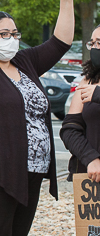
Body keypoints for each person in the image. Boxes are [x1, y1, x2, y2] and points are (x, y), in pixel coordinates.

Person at [0, 0, 74, 235]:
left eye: (14, 33)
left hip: (31, 171)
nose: (11, 39)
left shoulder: (24, 62)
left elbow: (61, 42)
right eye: (4, 34)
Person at [60, 25, 100, 183]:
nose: (95, 48)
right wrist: (90, 158)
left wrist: (97, 94)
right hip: (93, 178)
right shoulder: (88, 80)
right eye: (93, 43)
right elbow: (70, 129)